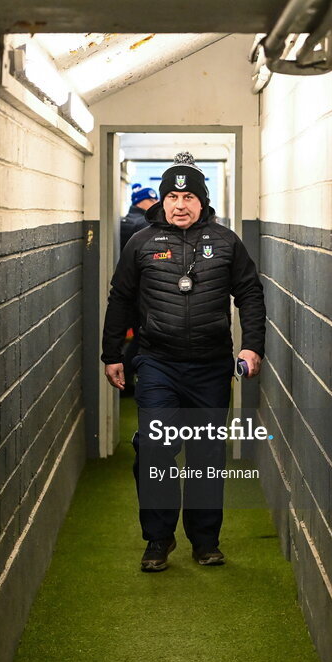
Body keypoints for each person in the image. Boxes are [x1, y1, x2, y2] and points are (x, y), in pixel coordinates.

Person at [101, 152, 266, 572]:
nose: (179, 205)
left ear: (201, 200)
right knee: (154, 449)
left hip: (211, 366)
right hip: (157, 364)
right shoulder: (141, 243)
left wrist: (252, 347)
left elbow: (249, 293)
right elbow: (120, 298)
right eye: (172, 197)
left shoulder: (226, 242)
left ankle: (205, 540)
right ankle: (158, 539)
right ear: (162, 200)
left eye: (188, 197)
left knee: (206, 456)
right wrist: (112, 354)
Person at [116, 185, 159, 397]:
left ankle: (126, 377)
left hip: (126, 289)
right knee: (143, 337)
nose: (156, 205)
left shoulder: (122, 222)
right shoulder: (144, 224)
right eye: (152, 201)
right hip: (141, 292)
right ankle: (126, 377)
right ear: (142, 202)